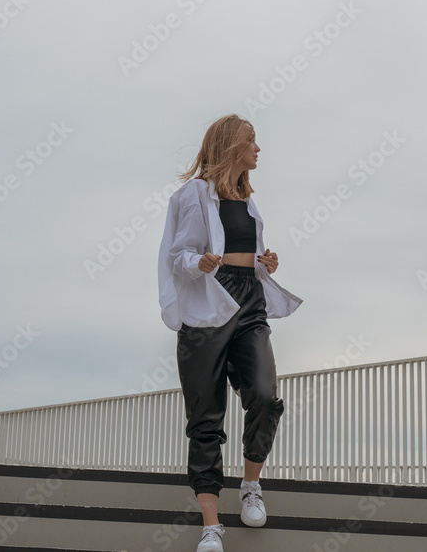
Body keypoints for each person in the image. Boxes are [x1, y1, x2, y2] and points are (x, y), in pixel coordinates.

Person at [157, 114, 303, 551]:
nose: (258, 148)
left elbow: (242, 251)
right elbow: (178, 254)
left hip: (249, 300)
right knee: (206, 418)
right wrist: (197, 262)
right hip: (209, 302)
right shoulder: (194, 194)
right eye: (251, 140)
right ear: (230, 146)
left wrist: (264, 262)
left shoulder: (247, 200)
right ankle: (211, 524)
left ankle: (251, 486)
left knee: (264, 395)